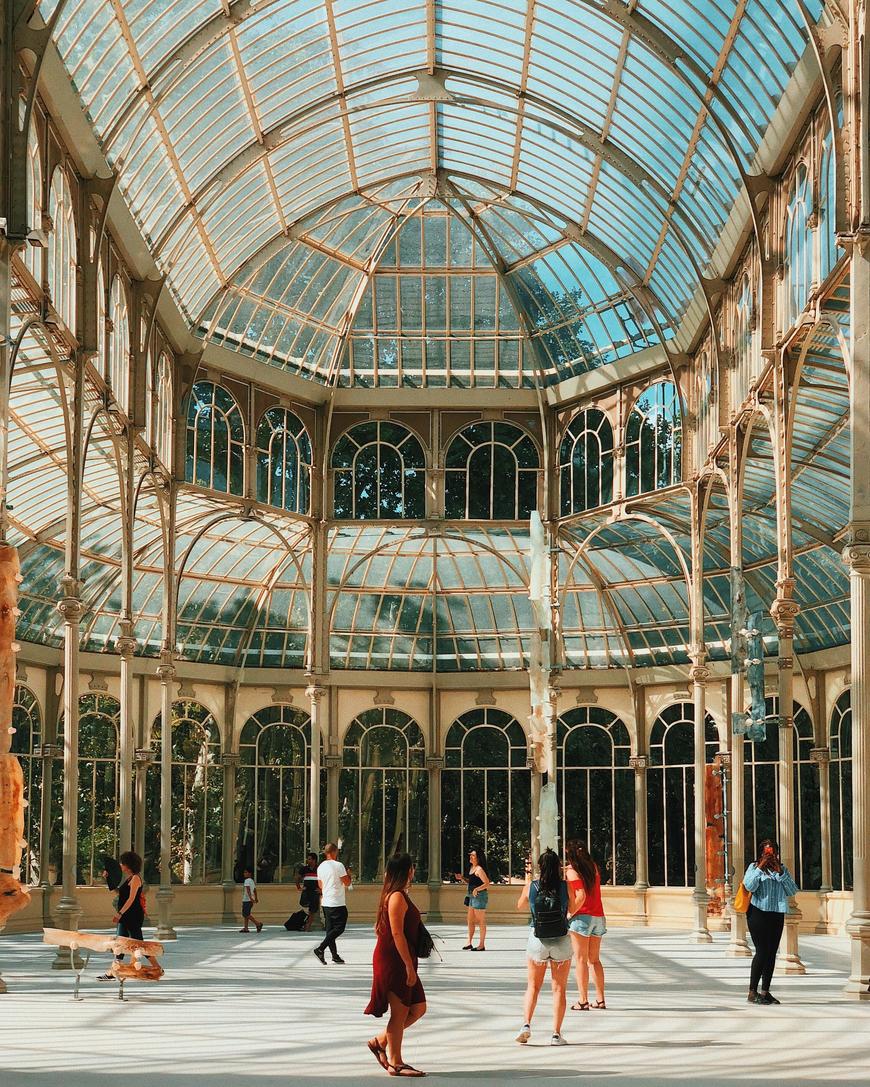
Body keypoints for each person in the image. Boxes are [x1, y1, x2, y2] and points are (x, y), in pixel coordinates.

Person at [365, 853, 427, 1077]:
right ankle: (396, 1062)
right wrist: (409, 966)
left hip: (400, 958)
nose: (414, 871)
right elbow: (397, 934)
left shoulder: (397, 894)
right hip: (395, 961)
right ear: (407, 870)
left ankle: (380, 1042)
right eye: (412, 867)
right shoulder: (397, 897)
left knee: (418, 1008)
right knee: (399, 1013)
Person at [515, 848, 572, 1046]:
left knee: (533, 986)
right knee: (558, 989)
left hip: (537, 939)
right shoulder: (565, 887)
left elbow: (520, 906)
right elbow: (572, 908)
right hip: (561, 941)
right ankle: (556, 1034)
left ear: (540, 867)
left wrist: (527, 881)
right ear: (558, 867)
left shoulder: (532, 886)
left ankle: (526, 1024)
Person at [742, 838, 799, 1005]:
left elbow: (792, 890)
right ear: (761, 853)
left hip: (776, 913)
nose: (770, 855)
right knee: (762, 951)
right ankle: (752, 992)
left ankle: (765, 991)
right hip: (757, 913)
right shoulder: (753, 868)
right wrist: (760, 868)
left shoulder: (782, 870)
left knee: (772, 952)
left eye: (773, 852)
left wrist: (780, 872)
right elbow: (749, 886)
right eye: (767, 852)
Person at [97, 850, 161, 981]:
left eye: (122, 863)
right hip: (127, 915)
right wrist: (108, 878)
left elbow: (131, 899)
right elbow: (118, 893)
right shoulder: (129, 879)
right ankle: (112, 972)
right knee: (120, 943)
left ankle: (157, 967)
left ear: (128, 864)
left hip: (132, 915)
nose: (120, 865)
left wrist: (120, 914)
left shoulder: (136, 879)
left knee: (138, 944)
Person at [564, 839, 607, 1010]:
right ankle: (601, 999)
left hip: (582, 918)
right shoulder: (593, 866)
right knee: (594, 960)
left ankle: (583, 1000)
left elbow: (580, 896)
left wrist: (569, 914)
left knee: (581, 960)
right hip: (598, 916)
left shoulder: (572, 870)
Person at [313, 842, 352, 965]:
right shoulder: (339, 865)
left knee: (330, 930)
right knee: (339, 928)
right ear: (335, 852)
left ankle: (334, 955)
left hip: (326, 902)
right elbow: (346, 882)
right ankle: (320, 948)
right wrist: (349, 875)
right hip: (337, 902)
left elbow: (320, 885)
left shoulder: (320, 867)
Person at [454, 848, 491, 950]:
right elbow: (472, 882)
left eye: (473, 855)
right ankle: (469, 942)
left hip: (479, 896)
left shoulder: (479, 869)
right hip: (471, 896)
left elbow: (487, 883)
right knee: (470, 920)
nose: (470, 856)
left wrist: (477, 889)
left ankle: (481, 945)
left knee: (481, 920)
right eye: (470, 855)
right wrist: (462, 878)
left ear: (478, 858)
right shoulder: (472, 868)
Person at [296, 851, 321, 932]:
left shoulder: (319, 869)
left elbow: (324, 879)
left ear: (314, 860)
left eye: (310, 859)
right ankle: (305, 921)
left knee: (312, 910)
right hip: (306, 891)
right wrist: (299, 887)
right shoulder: (304, 869)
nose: (308, 860)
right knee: (304, 904)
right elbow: (298, 878)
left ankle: (307, 926)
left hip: (315, 892)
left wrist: (321, 890)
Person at [240, 867, 263, 933]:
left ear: (250, 873)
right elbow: (254, 890)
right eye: (244, 872)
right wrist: (256, 898)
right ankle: (246, 928)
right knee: (246, 914)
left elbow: (248, 890)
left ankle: (258, 924)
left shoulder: (247, 881)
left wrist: (250, 898)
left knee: (246, 914)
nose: (244, 874)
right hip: (250, 900)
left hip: (247, 900)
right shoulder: (252, 881)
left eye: (246, 872)